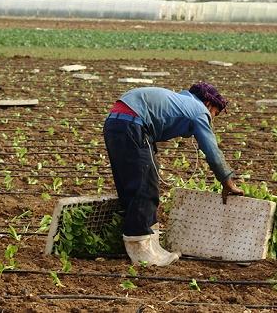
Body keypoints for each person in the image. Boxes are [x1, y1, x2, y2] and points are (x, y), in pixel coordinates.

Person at [103, 83, 243, 267]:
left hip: (115, 123)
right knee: (145, 188)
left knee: (131, 184)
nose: (212, 119)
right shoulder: (200, 110)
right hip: (132, 124)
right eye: (215, 114)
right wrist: (227, 180)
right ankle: (141, 251)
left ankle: (149, 244)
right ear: (208, 103)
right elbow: (212, 151)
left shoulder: (181, 100)